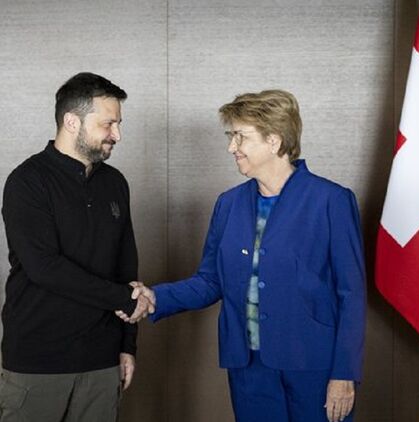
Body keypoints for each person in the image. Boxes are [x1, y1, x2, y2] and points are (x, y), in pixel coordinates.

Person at [119, 90, 366, 422]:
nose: (231, 147)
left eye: (240, 137)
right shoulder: (228, 203)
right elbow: (210, 281)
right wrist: (155, 297)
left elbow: (351, 294)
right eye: (230, 136)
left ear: (274, 141)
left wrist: (345, 373)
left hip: (314, 367)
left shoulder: (331, 201)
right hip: (248, 367)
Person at [0, 72, 152, 422]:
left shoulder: (115, 183)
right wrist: (124, 299)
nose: (117, 135)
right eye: (108, 124)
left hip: (102, 362)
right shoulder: (27, 181)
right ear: (71, 122)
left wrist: (127, 345)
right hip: (38, 363)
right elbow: (44, 268)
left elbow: (126, 269)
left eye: (118, 124)